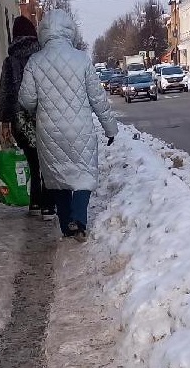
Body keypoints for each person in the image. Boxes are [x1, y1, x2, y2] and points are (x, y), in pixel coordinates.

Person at [18, 9, 118, 241]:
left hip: (49, 131)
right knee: (83, 175)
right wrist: (110, 128)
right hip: (80, 129)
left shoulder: (35, 61)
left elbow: (26, 100)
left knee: (56, 177)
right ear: (69, 31)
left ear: (43, 32)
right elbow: (97, 99)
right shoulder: (82, 59)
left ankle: (66, 226)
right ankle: (79, 221)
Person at [0, 15, 55, 219]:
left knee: (32, 161)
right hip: (44, 116)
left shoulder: (10, 61)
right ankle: (48, 206)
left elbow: (5, 93)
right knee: (47, 160)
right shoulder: (43, 56)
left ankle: (35, 202)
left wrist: (4, 121)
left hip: (20, 121)